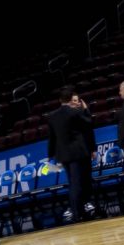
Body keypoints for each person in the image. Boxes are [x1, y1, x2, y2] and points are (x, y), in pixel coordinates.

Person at [47, 87, 98, 222]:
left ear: (59, 100)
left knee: (72, 183)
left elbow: (52, 138)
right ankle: (77, 213)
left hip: (63, 155)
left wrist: (50, 155)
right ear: (70, 99)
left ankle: (78, 211)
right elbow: (88, 122)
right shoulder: (74, 112)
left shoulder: (52, 116)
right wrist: (86, 110)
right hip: (77, 153)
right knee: (76, 184)